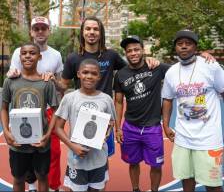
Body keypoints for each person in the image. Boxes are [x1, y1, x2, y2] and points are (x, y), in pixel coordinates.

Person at [59, 16, 159, 157]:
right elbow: (62, 85)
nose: (91, 32)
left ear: (101, 33)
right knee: (80, 155)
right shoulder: (73, 58)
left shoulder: (111, 55)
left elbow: (132, 69)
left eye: (95, 29)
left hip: (105, 116)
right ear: (82, 32)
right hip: (81, 115)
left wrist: (147, 59)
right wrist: (47, 79)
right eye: (88, 29)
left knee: (103, 156)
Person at [162, 29, 224, 192]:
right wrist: (166, 125)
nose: (183, 47)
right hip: (183, 138)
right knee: (186, 179)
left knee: (213, 184)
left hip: (208, 138)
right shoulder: (171, 72)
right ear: (175, 47)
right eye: (180, 44)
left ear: (195, 47)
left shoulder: (211, 66)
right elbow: (167, 99)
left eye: (188, 44)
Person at [7, 16, 63, 192]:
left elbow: (62, 87)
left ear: (48, 31)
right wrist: (11, 73)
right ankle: (31, 185)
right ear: (31, 31)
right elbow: (15, 76)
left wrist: (53, 80)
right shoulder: (18, 52)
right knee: (21, 163)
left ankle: (51, 186)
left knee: (49, 156)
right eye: (36, 28)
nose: (40, 31)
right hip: (21, 111)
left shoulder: (56, 55)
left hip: (45, 111)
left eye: (43, 28)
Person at [114, 35, 170, 192]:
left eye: (136, 49)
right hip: (130, 127)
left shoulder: (156, 67)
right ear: (125, 53)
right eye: (129, 51)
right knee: (133, 162)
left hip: (152, 127)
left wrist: (203, 57)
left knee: (156, 165)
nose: (133, 53)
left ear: (143, 50)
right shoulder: (120, 75)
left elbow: (181, 69)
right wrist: (118, 127)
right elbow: (118, 102)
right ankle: (136, 189)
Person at [54, 58, 116, 191]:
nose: (89, 76)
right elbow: (57, 128)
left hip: (99, 158)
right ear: (78, 74)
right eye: (85, 72)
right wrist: (72, 146)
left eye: (94, 73)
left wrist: (105, 135)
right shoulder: (70, 98)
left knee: (96, 189)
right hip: (77, 160)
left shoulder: (106, 99)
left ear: (99, 76)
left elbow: (110, 124)